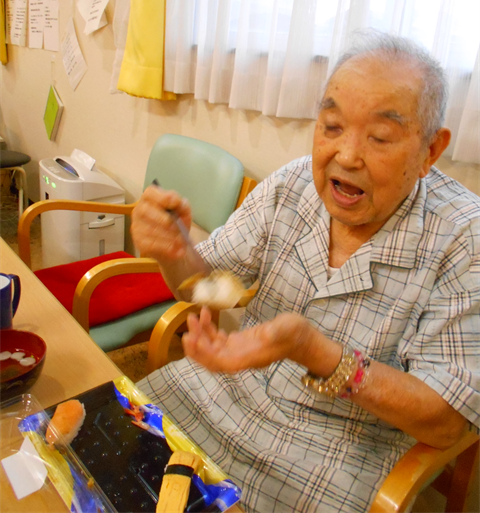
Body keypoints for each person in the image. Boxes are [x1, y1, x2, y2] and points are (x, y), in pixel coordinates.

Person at [132, 31, 480, 513]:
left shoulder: (465, 238)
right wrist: (174, 251)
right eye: (332, 125)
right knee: (92, 458)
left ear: (430, 151)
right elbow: (207, 287)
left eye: (379, 137)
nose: (347, 155)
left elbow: (446, 420)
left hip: (330, 455)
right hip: (214, 396)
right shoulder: (293, 184)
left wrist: (317, 352)